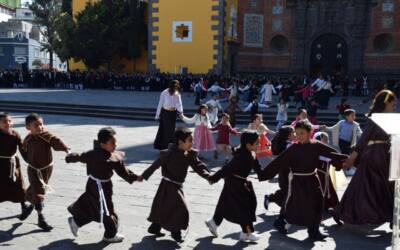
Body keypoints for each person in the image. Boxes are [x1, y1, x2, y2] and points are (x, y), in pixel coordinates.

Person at [261, 121, 347, 240]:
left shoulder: (316, 145)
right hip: (297, 181)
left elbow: (331, 153)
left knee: (316, 203)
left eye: (302, 133)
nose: (299, 136)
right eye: (297, 133)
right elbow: (278, 163)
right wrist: (263, 174)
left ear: (309, 132)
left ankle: (313, 231)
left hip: (312, 179)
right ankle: (281, 222)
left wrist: (342, 161)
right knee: (294, 204)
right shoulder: (292, 149)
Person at [332, 90, 397, 227]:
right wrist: (351, 158)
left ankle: (389, 216)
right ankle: (390, 216)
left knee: (365, 187)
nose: (395, 105)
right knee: (380, 186)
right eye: (392, 103)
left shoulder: (390, 119)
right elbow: (363, 141)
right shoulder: (375, 119)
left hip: (386, 156)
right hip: (374, 157)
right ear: (386, 103)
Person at [65, 127, 140, 243]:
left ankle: (76, 222)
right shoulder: (93, 154)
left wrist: (135, 177)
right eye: (112, 143)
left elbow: (123, 171)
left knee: (95, 207)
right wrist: (69, 157)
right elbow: (80, 157)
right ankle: (109, 235)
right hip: (98, 186)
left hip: (99, 185)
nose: (115, 145)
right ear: (103, 144)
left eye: (115, 142)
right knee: (107, 210)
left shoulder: (112, 156)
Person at [141, 127, 211, 243]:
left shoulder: (190, 154)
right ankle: (176, 232)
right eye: (189, 140)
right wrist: (143, 176)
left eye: (192, 140)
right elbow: (155, 164)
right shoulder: (169, 153)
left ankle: (155, 227)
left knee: (164, 207)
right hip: (167, 185)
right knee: (180, 208)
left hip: (178, 185)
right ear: (180, 142)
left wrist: (209, 176)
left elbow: (198, 166)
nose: (192, 143)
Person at [205, 130, 267, 242]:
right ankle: (247, 232)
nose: (259, 144)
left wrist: (268, 173)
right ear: (248, 145)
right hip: (235, 182)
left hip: (237, 180)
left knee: (225, 201)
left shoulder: (251, 153)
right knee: (246, 205)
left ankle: (214, 222)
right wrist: (213, 178)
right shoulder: (241, 157)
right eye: (257, 143)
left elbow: (259, 169)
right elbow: (226, 169)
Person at [21, 113, 69, 231]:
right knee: (39, 191)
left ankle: (30, 206)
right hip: (32, 169)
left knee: (34, 189)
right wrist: (28, 160)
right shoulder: (27, 139)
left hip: (46, 169)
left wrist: (65, 148)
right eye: (36, 125)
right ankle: (41, 218)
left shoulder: (46, 136)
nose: (40, 127)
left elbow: (56, 141)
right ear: (28, 127)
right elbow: (23, 150)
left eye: (41, 124)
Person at [0, 113, 33, 220]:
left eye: (9, 121)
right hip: (0, 164)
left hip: (13, 164)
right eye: (4, 122)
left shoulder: (15, 134)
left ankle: (24, 206)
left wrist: (29, 160)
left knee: (19, 185)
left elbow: (22, 148)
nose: (8, 123)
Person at [264, 125, 295, 210]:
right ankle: (272, 198)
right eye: (293, 133)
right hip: (287, 172)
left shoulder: (284, 144)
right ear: (288, 135)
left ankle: (271, 198)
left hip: (284, 171)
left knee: (287, 190)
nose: (295, 134)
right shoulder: (288, 146)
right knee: (287, 190)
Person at [324, 109, 363, 176]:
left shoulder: (355, 125)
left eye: (354, 115)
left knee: (350, 155)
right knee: (346, 154)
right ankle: (347, 169)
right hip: (342, 141)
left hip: (350, 143)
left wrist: (366, 135)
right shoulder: (342, 122)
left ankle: (343, 167)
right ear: (347, 116)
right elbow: (333, 128)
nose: (354, 117)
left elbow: (360, 132)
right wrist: (326, 128)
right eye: (352, 115)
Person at [154, 80, 183, 150]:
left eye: (176, 87)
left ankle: (171, 145)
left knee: (172, 129)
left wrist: (181, 112)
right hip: (165, 112)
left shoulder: (177, 93)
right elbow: (160, 103)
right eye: (174, 87)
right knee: (166, 129)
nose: (175, 89)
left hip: (173, 113)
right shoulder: (164, 92)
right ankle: (164, 146)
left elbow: (179, 104)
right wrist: (157, 114)